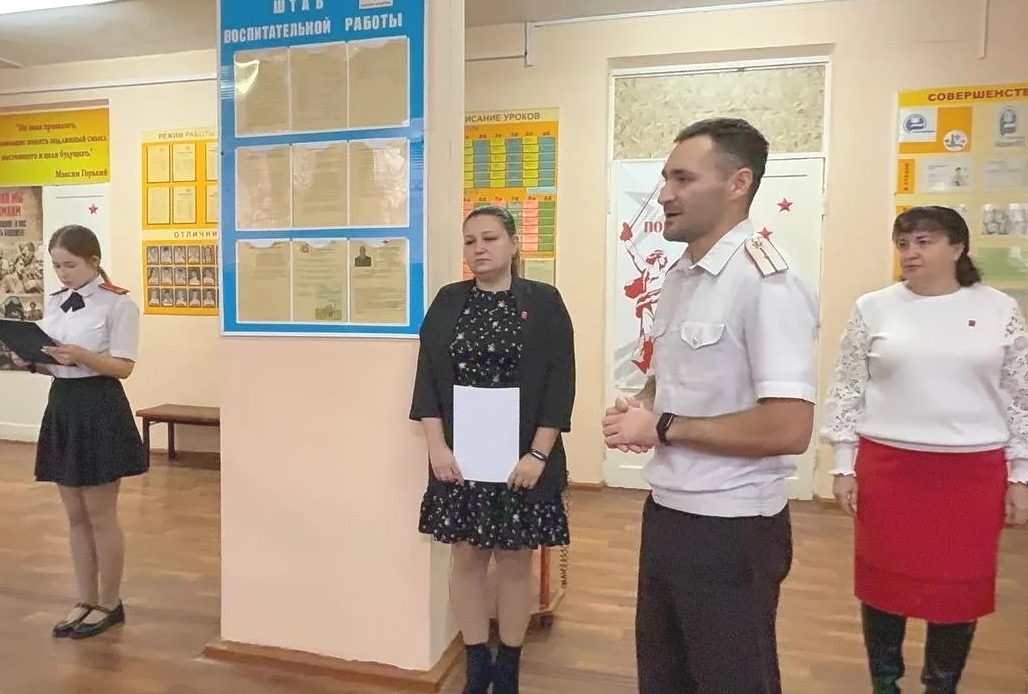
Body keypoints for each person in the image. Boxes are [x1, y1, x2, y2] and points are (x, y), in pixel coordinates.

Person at [600, 117, 819, 694]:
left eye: (683, 179)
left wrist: (663, 427)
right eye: (665, 179)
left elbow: (789, 426)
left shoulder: (766, 281)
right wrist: (641, 408)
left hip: (733, 529)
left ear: (738, 183)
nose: (664, 195)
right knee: (665, 677)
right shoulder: (681, 276)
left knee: (732, 680)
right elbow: (674, 381)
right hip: (668, 511)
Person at [820, 205, 1028, 694]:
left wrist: (1019, 475)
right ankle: (885, 683)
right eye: (903, 243)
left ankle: (941, 685)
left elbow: (1019, 396)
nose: (910, 253)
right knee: (883, 585)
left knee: (959, 591)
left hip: (972, 474)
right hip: (890, 469)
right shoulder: (874, 307)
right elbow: (847, 388)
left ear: (958, 248)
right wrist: (844, 465)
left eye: (924, 241)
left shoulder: (999, 309)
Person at [409, 205, 575, 694]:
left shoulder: (543, 301)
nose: (478, 249)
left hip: (523, 458)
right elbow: (427, 380)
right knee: (468, 559)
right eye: (470, 241)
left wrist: (539, 455)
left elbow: (560, 383)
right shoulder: (448, 301)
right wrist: (437, 448)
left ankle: (509, 669)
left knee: (516, 561)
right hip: (461, 458)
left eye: (489, 238)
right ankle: (478, 662)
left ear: (513, 244)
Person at [13, 224, 147, 639]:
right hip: (64, 404)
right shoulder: (55, 302)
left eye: (70, 265)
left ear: (93, 261)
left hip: (99, 405)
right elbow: (56, 364)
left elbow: (123, 367)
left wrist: (82, 355)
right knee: (74, 514)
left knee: (101, 514)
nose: (62, 273)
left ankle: (110, 602)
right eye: (56, 266)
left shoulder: (118, 304)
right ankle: (84, 598)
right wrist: (32, 362)